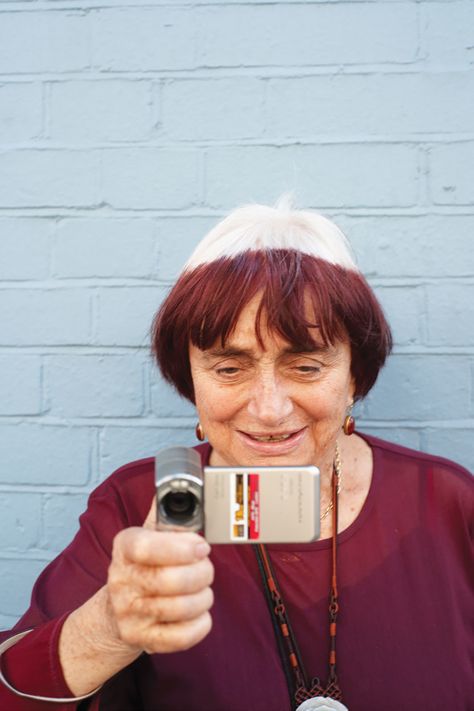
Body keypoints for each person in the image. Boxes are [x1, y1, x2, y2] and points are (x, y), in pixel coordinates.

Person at [0, 198, 472, 711]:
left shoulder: (445, 504)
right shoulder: (136, 504)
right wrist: (108, 629)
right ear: (192, 381)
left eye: (307, 367)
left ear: (354, 375)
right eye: (229, 369)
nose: (269, 410)